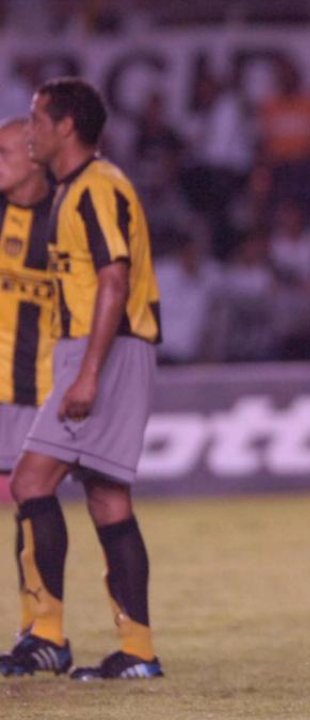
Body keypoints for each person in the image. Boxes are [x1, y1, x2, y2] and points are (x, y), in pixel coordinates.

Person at [0, 78, 164, 680]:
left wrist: (88, 372)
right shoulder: (79, 189)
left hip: (105, 349)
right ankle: (138, 652)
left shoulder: (96, 187)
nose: (30, 128)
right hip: (101, 348)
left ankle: (45, 636)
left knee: (31, 481)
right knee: (105, 496)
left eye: (37, 118)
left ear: (66, 126)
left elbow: (113, 281)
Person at [0, 117, 55, 508]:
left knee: (34, 507)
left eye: (3, 154)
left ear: (35, 158)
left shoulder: (67, 218)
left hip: (41, 395)